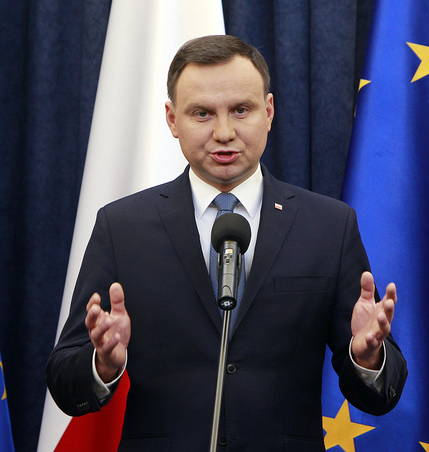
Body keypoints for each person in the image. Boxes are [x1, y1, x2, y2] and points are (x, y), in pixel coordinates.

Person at [46, 35, 407, 451]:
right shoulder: (122, 227)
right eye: (202, 113)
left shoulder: (328, 226)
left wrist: (367, 360)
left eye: (241, 110)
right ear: (171, 119)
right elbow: (63, 380)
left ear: (268, 111)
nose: (224, 132)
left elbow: (382, 393)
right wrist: (102, 364)